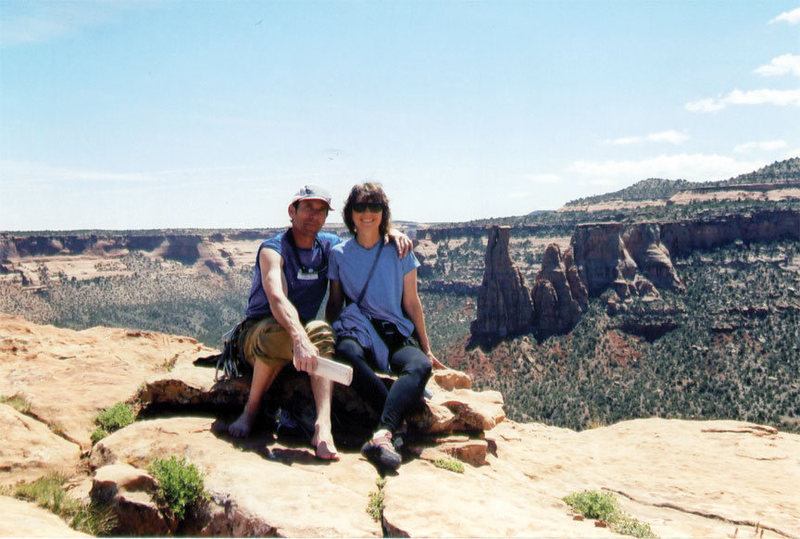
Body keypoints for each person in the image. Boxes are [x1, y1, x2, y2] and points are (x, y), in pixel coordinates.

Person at [227, 185, 411, 462]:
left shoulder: (326, 245)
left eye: (321, 210)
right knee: (284, 334)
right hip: (258, 332)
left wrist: (390, 232)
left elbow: (365, 235)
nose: (314, 216)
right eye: (308, 208)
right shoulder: (272, 249)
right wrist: (300, 340)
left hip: (301, 333)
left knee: (322, 331)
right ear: (292, 211)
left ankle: (323, 427)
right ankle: (250, 412)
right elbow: (277, 297)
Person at [327, 182, 445, 471]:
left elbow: (412, 303)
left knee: (419, 366)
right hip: (360, 330)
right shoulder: (339, 253)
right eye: (360, 207)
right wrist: (327, 337)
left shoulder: (400, 250)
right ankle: (393, 424)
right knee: (345, 352)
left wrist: (426, 348)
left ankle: (381, 433)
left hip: (395, 332)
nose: (367, 213)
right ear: (350, 213)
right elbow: (335, 302)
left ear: (383, 212)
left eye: (374, 207)